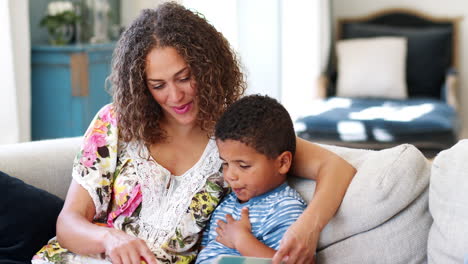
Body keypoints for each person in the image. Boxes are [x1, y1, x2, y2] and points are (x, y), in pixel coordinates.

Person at [32, 2, 356, 264]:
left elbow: (336, 168)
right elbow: (68, 225)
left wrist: (307, 229)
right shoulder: (115, 123)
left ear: (207, 67)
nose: (175, 96)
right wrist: (110, 238)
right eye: (158, 85)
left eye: (184, 77)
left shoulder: (237, 133)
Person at [196, 95, 307, 264]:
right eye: (225, 163)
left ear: (283, 163)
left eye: (243, 165)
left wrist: (241, 239)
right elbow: (206, 251)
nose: (230, 175)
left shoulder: (285, 206)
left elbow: (288, 262)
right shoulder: (227, 203)